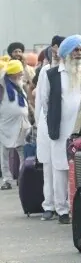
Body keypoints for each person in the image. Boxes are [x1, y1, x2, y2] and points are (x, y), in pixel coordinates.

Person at [36, 34, 81, 225]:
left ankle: (78, 207)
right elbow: (44, 101)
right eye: (75, 50)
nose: (79, 53)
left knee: (80, 169)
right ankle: (61, 209)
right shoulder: (52, 74)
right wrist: (53, 121)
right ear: (66, 53)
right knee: (60, 169)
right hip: (60, 130)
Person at [0, 60, 29, 190]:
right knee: (4, 153)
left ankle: (23, 177)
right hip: (5, 125)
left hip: (20, 124)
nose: (21, 73)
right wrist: (6, 66)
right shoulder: (3, 84)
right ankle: (7, 180)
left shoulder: (19, 84)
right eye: (19, 71)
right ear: (13, 73)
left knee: (22, 151)